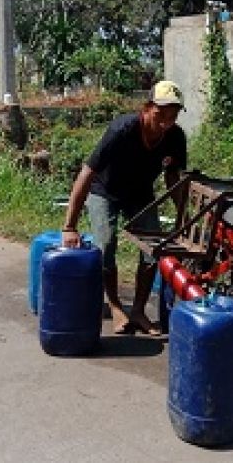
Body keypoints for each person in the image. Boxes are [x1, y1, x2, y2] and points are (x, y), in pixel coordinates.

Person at [61, 80, 187, 335]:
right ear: (147, 108)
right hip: (104, 190)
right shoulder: (123, 130)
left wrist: (183, 216)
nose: (166, 122)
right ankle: (115, 305)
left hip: (140, 194)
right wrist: (69, 226)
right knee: (106, 244)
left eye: (172, 116)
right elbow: (87, 173)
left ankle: (138, 310)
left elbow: (173, 177)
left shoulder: (175, 137)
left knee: (153, 249)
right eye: (160, 114)